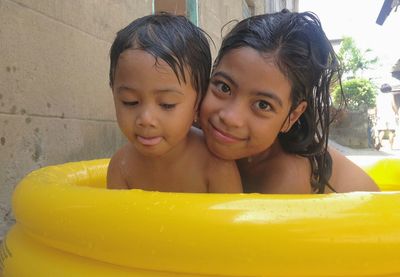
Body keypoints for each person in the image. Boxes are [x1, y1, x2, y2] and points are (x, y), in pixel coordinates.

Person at [199, 10, 379, 193]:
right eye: (224, 87)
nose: (230, 117)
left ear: (292, 116)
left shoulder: (286, 178)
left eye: (263, 105)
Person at [107, 13, 242, 193]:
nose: (146, 119)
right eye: (130, 102)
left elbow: (229, 219)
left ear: (198, 103)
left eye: (167, 104)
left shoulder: (214, 166)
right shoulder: (121, 166)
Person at [375, 84, 397, 150]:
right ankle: (391, 147)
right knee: (391, 131)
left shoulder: (378, 96)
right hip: (390, 114)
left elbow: (376, 107)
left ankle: (379, 142)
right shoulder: (390, 95)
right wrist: (396, 112)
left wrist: (376, 115)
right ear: (389, 89)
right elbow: (393, 105)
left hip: (381, 114)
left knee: (381, 130)